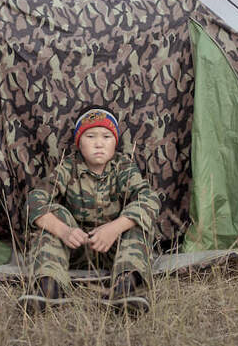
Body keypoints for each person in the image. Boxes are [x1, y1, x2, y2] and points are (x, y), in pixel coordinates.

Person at [18, 106, 161, 313]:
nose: (99, 143)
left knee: (136, 224)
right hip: (76, 246)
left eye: (106, 136)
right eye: (90, 136)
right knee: (55, 213)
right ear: (79, 143)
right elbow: (34, 201)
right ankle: (48, 288)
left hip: (114, 251)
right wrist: (64, 231)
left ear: (115, 143)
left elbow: (149, 199)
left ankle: (127, 289)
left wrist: (114, 228)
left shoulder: (123, 167)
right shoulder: (68, 166)